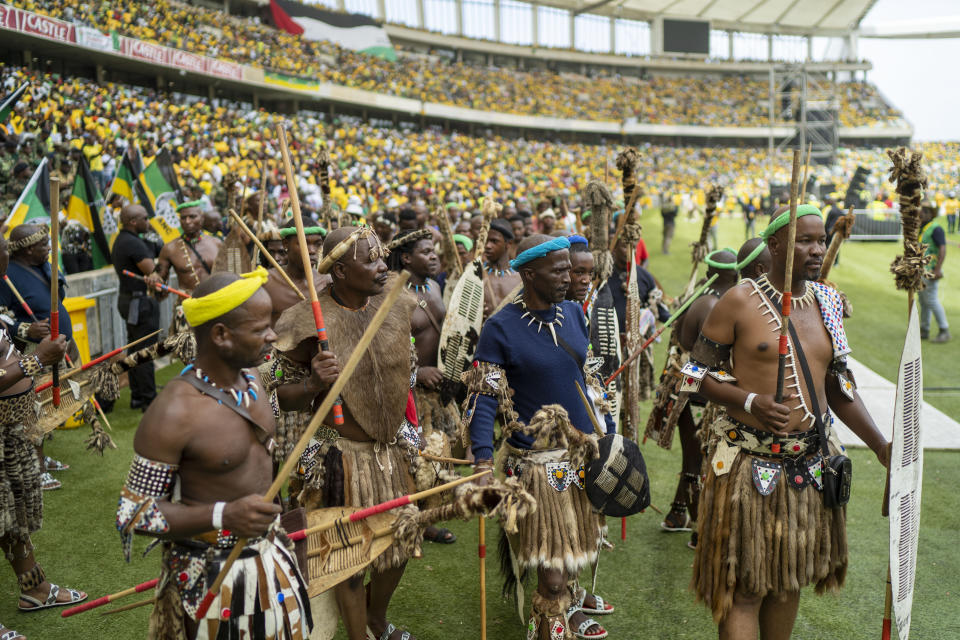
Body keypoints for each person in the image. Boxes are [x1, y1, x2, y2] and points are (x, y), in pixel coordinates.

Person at [689, 205, 891, 640]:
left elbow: (838, 386)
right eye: (805, 241)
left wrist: (880, 445)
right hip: (749, 467)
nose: (817, 250)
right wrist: (749, 400)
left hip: (810, 468)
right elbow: (693, 375)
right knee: (745, 589)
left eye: (820, 241)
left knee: (787, 582)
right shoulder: (739, 299)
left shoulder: (828, 302)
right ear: (775, 245)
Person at [116, 269, 316, 639]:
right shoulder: (174, 411)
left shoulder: (254, 378)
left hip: (273, 560)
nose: (272, 334)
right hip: (212, 578)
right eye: (260, 329)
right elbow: (134, 514)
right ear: (221, 335)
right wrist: (224, 515)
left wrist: (315, 383)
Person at [466, 234, 615, 640]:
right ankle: (550, 615)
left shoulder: (574, 313)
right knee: (550, 572)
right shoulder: (499, 329)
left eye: (570, 267)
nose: (569, 276)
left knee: (573, 551)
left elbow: (590, 382)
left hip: (580, 457)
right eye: (559, 269)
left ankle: (567, 604)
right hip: (533, 469)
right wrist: (482, 461)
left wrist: (611, 436)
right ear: (529, 274)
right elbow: (483, 399)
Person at [277, 226, 419, 640]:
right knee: (349, 556)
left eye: (381, 256)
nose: (381, 266)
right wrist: (311, 385)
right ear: (339, 271)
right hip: (341, 456)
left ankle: (376, 619)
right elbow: (274, 396)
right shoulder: (307, 321)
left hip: (390, 451)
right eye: (370, 260)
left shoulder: (395, 299)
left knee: (399, 546)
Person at [0, 234, 86, 640]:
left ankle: (34, 589)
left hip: (8, 433)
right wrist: (38, 360)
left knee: (13, 520)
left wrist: (26, 339)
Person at [657, 249, 738, 549]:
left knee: (693, 456)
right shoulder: (717, 305)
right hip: (704, 392)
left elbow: (684, 343)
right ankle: (700, 528)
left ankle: (678, 514)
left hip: (686, 390)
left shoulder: (696, 299)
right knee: (707, 460)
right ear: (734, 274)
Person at [386, 228, 460, 544]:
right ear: (406, 257)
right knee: (410, 458)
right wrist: (418, 373)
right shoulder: (390, 292)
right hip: (408, 390)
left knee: (438, 453)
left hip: (436, 389)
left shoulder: (433, 286)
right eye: (426, 252)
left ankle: (428, 515)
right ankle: (409, 518)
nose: (433, 256)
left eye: (434, 251)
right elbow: (387, 351)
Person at [0, 224, 74, 489]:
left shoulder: (45, 266)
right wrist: (26, 328)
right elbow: (2, 316)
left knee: (48, 405)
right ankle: (35, 466)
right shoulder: (7, 276)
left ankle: (40, 458)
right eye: (44, 244)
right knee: (32, 410)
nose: (49, 248)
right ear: (29, 249)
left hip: (53, 350)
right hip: (28, 353)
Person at [111, 204, 160, 411]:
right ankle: (149, 401)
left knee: (135, 349)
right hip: (138, 303)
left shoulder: (122, 240)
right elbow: (152, 272)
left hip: (129, 300)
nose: (148, 222)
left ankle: (138, 397)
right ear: (133, 221)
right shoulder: (133, 243)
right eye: (145, 218)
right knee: (145, 351)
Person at [261, 221, 329, 326]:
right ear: (285, 244)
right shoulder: (267, 282)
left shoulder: (327, 284)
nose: (311, 251)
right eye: (303, 243)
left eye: (317, 244)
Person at [153, 201, 223, 294]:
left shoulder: (217, 243)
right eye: (183, 218)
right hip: (188, 304)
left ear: (202, 219)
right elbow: (159, 278)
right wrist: (154, 279)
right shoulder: (170, 248)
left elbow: (230, 274)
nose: (187, 221)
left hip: (216, 302)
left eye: (192, 217)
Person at [918, 200, 950, 342]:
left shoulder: (936, 228)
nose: (922, 213)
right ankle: (924, 330)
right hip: (921, 270)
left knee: (931, 300)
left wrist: (937, 269)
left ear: (930, 214)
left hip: (930, 270)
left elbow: (942, 248)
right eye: (922, 210)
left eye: (925, 211)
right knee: (923, 301)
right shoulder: (924, 227)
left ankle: (944, 330)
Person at [481, 219, 522, 319]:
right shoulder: (476, 274)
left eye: (494, 241)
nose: (488, 246)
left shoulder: (520, 278)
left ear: (508, 244)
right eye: (486, 241)